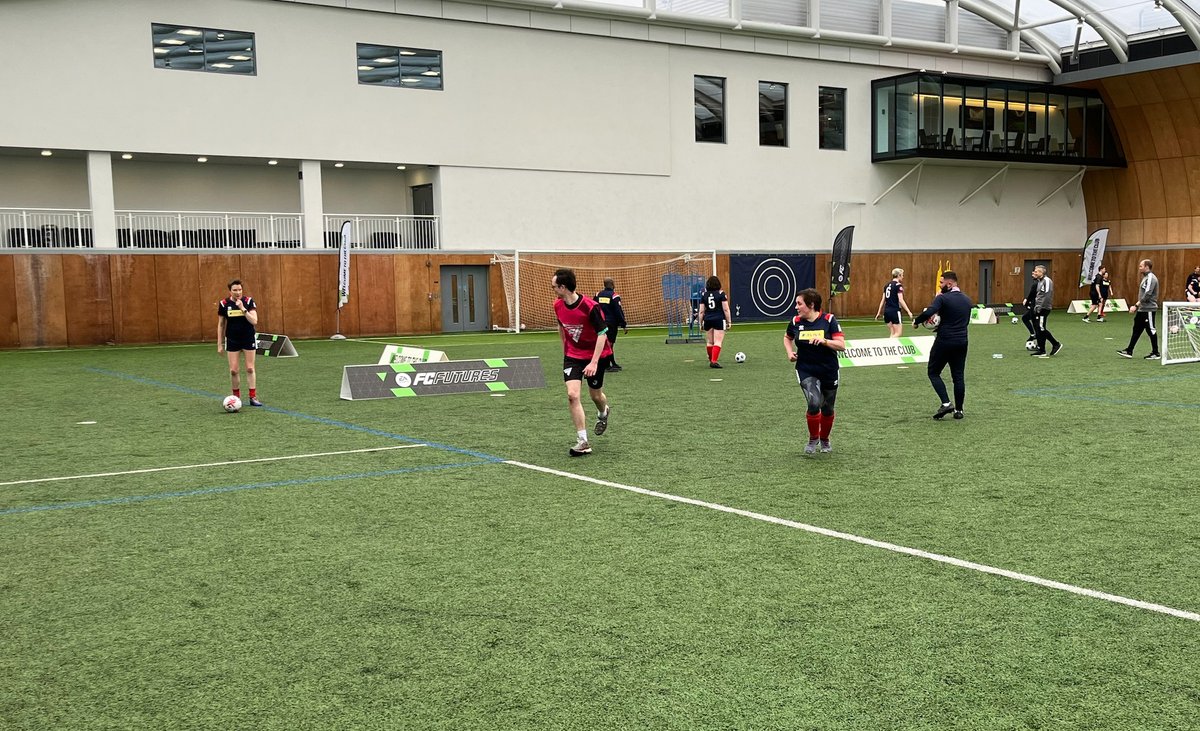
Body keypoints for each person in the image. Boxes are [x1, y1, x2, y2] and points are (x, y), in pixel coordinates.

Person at [552, 268, 613, 457]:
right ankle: (583, 441)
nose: (552, 289)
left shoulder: (590, 306)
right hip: (573, 357)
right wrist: (566, 349)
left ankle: (603, 412)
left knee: (596, 395)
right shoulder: (557, 305)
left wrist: (593, 362)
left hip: (597, 355)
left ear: (563, 287)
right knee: (572, 395)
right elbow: (561, 327)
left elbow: (603, 334)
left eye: (554, 286)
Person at [783, 288, 846, 454]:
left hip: (828, 370)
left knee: (827, 408)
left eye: (799, 304)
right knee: (813, 403)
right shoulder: (796, 322)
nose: (796, 307)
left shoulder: (828, 320)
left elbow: (841, 345)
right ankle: (813, 439)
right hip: (806, 369)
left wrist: (825, 341)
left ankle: (825, 440)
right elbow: (787, 337)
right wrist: (790, 352)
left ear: (811, 305)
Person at [913, 270, 973, 420]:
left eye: (941, 283)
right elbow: (960, 320)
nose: (940, 286)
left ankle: (946, 403)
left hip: (945, 340)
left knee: (933, 372)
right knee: (958, 376)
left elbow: (930, 312)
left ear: (950, 283)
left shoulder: (942, 298)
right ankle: (959, 410)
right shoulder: (967, 300)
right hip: (962, 341)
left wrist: (917, 321)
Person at [217, 279, 263, 406]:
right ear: (230, 291)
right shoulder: (223, 303)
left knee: (250, 368)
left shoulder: (248, 302)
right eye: (235, 290)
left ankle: (253, 397)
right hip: (232, 340)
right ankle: (236, 398)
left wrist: (243, 309)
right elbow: (221, 325)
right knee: (233, 370)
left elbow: (254, 321)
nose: (238, 292)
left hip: (248, 338)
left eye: (239, 290)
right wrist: (219, 344)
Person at [1117, 259, 1160, 360]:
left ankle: (1156, 353)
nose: (1139, 268)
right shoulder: (1145, 278)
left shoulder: (1151, 278)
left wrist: (1136, 305)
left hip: (1148, 309)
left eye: (1141, 266)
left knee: (1151, 330)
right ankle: (1129, 350)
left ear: (1147, 267)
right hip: (1142, 309)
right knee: (1136, 329)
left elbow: (1148, 294)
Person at [698, 275, 732, 368]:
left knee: (710, 342)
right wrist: (729, 322)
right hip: (718, 319)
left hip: (708, 319)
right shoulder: (721, 294)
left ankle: (711, 359)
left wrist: (700, 323)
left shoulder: (704, 295)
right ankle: (714, 360)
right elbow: (726, 309)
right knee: (718, 341)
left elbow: (701, 311)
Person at [595, 278, 628, 372]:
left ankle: (612, 363)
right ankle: (606, 365)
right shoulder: (614, 296)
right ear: (613, 284)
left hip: (600, 322)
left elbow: (594, 307)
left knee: (606, 343)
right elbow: (618, 311)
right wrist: (623, 324)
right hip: (611, 323)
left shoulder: (598, 295)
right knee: (609, 344)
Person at [1029, 265, 1062, 357]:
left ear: (1041, 272)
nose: (1034, 273)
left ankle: (1056, 344)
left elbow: (1047, 295)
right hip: (1039, 308)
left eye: (1036, 271)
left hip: (1043, 308)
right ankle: (1042, 350)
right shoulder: (1040, 281)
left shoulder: (1047, 281)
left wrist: (1040, 307)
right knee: (1039, 329)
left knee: (1041, 328)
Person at [875, 268, 914, 338]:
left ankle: (890, 346)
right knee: (898, 333)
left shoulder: (886, 285)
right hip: (895, 311)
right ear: (898, 275)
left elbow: (883, 300)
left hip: (886, 311)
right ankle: (886, 344)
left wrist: (878, 312)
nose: (903, 277)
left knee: (892, 333)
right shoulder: (898, 286)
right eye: (902, 275)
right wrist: (908, 311)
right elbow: (901, 300)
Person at [1020, 277, 1038, 346]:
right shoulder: (1036, 283)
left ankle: (1041, 345)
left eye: (1035, 272)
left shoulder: (1038, 283)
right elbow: (1032, 294)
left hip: (1037, 306)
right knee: (1025, 318)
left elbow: (1033, 295)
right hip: (1034, 305)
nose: (1033, 273)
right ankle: (1033, 334)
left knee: (1038, 325)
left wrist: (1027, 301)